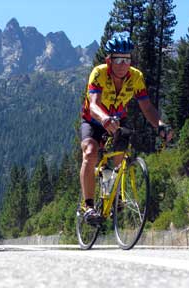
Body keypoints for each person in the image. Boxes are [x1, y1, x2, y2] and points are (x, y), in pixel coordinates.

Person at [80, 32, 173, 224]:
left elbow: (146, 107)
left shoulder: (136, 77)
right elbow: (94, 103)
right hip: (94, 119)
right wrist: (104, 118)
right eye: (118, 59)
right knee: (90, 152)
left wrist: (161, 125)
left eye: (127, 59)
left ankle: (115, 196)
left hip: (118, 120)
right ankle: (88, 206)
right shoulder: (99, 73)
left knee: (120, 156)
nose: (123, 64)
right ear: (109, 60)